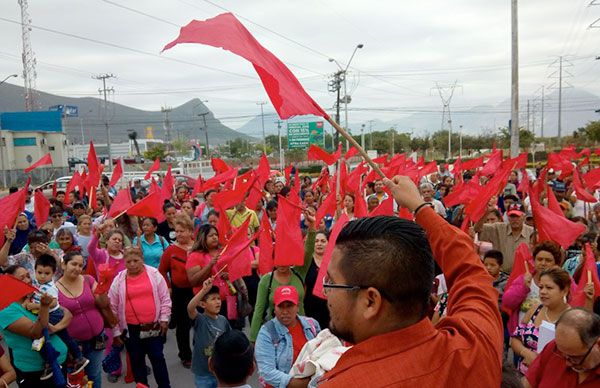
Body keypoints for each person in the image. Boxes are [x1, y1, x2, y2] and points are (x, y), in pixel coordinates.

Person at [318, 176, 503, 387]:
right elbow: (470, 271)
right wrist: (420, 207)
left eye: (331, 282)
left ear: (371, 301)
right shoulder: (476, 347)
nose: (326, 292)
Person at [108, 246, 172, 388]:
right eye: (128, 261)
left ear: (142, 259)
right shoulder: (118, 280)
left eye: (135, 260)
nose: (132, 264)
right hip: (131, 330)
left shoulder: (154, 274)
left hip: (153, 326)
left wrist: (164, 318)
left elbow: (165, 298)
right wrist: (116, 332)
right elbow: (112, 306)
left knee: (157, 358)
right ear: (124, 261)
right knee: (137, 362)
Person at [249, 209, 317, 342]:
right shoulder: (266, 281)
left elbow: (308, 251)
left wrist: (312, 226)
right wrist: (254, 340)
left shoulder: (299, 272)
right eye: (278, 259)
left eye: (285, 258)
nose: (282, 264)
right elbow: (259, 311)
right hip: (276, 336)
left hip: (301, 332)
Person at [0, 265, 68, 387]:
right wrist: (44, 307)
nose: (28, 280)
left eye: (28, 275)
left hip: (59, 363)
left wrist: (57, 328)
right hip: (36, 372)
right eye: (22, 278)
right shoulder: (5, 310)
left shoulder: (32, 298)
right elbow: (36, 333)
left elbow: (67, 314)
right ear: (11, 282)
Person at [24, 255, 89, 377]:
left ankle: (50, 362)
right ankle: (79, 358)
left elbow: (53, 302)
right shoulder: (37, 284)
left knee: (38, 336)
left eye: (47, 273)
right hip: (51, 313)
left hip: (53, 314)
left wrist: (36, 306)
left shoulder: (51, 287)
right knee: (65, 337)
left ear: (53, 273)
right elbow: (32, 295)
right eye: (40, 272)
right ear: (35, 270)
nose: (43, 276)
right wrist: (29, 301)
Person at [56, 252, 107, 388]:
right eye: (73, 264)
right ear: (63, 264)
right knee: (76, 379)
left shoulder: (88, 280)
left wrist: (103, 286)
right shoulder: (53, 290)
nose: (77, 268)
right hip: (74, 344)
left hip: (97, 338)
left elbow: (103, 304)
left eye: (80, 265)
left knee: (94, 374)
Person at [255, 285, 321, 388]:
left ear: (298, 306)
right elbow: (267, 371)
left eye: (289, 306)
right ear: (274, 307)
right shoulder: (267, 332)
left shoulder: (312, 325)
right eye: (281, 306)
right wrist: (299, 384)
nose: (285, 312)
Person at [510, 268, 572, 375]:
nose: (543, 292)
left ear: (564, 290)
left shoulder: (572, 318)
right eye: (541, 287)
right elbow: (515, 339)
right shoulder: (535, 309)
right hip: (523, 376)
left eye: (549, 288)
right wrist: (526, 353)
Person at [524, 308, 600, 387]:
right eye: (562, 354)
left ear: (597, 344)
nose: (567, 363)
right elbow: (529, 382)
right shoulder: (555, 347)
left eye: (575, 358)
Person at [503, 241, 566, 336]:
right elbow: (507, 302)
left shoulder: (565, 281)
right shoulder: (524, 279)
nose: (543, 263)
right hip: (522, 337)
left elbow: (575, 304)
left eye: (548, 260)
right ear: (534, 261)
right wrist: (523, 288)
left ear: (556, 263)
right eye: (539, 259)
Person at [158, 214, 195, 368]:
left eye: (182, 231)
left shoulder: (197, 248)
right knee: (183, 326)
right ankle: (185, 355)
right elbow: (161, 271)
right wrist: (168, 286)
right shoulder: (170, 250)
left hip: (197, 291)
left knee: (199, 323)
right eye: (177, 231)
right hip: (179, 293)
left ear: (190, 231)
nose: (179, 234)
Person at [187, 277, 231, 388]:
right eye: (213, 299)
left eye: (218, 299)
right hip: (203, 373)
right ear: (203, 304)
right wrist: (204, 291)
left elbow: (229, 340)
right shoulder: (201, 320)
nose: (218, 302)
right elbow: (190, 308)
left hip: (220, 371)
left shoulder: (223, 320)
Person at [475, 204, 535, 272]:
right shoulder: (498, 228)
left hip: (523, 276)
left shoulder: (532, 232)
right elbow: (477, 229)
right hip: (502, 275)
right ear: (508, 217)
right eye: (512, 216)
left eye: (517, 216)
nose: (514, 219)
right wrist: (485, 214)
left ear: (523, 217)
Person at [304, 230, 330, 329]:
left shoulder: (332, 262)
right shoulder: (306, 263)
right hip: (309, 308)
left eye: (323, 241)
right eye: (316, 241)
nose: (319, 244)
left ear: (328, 243)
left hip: (328, 308)